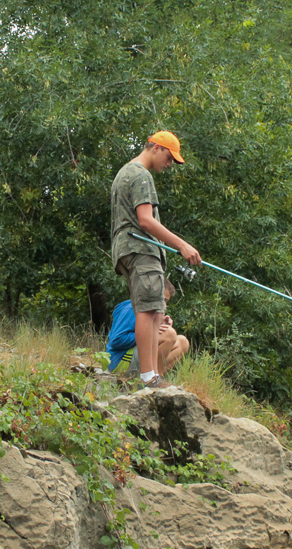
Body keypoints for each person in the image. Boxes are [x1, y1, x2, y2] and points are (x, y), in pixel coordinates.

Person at [110, 131, 201, 388]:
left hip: (128, 250)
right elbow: (146, 220)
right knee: (148, 310)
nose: (170, 164)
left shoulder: (124, 172)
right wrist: (182, 245)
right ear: (156, 148)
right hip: (141, 250)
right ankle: (149, 377)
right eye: (170, 157)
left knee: (155, 310)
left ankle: (153, 376)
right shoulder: (141, 175)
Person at [107, 279, 190, 376]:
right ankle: (150, 379)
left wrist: (159, 324)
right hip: (119, 363)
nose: (165, 306)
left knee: (182, 342)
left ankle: (154, 377)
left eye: (166, 301)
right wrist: (151, 331)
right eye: (162, 300)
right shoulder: (131, 308)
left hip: (133, 358)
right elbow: (116, 340)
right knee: (169, 334)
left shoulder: (149, 311)